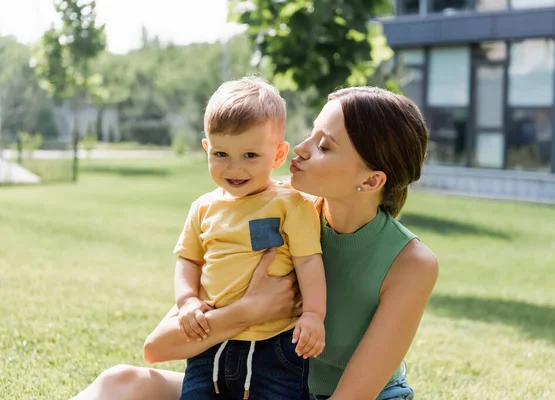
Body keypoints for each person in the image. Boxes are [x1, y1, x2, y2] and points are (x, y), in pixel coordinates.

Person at [72, 86, 438, 400]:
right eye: (311, 134)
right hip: (255, 384)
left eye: (324, 147)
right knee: (119, 383)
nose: (300, 149)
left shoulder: (410, 263)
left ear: (372, 181)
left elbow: (351, 396)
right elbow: (159, 347)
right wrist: (250, 310)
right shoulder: (274, 215)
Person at [173, 77, 326, 399]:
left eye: (250, 156)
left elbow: (309, 261)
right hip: (210, 339)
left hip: (275, 347)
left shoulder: (290, 204)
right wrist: (186, 300)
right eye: (221, 153)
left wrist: (313, 313)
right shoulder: (203, 207)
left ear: (278, 154)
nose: (234, 167)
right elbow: (188, 259)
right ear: (207, 148)